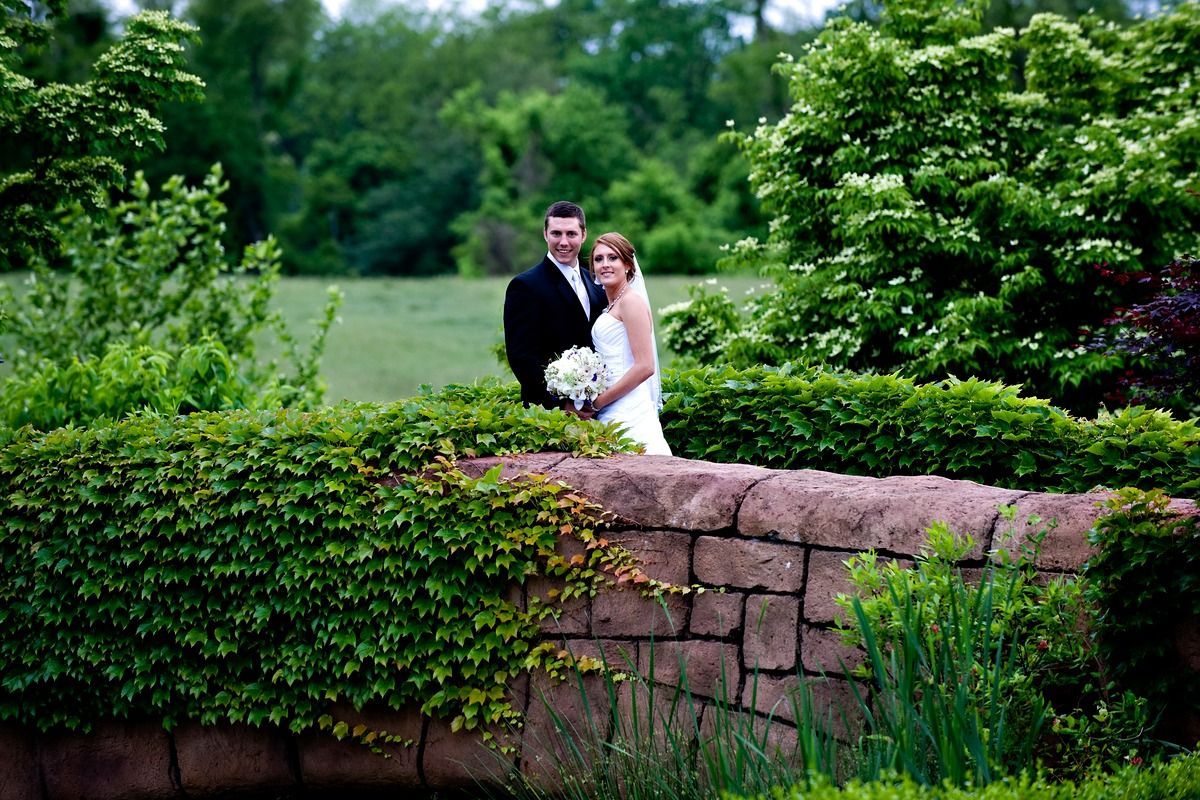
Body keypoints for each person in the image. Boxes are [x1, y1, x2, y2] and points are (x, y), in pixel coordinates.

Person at [504, 201, 607, 409]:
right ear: (545, 234)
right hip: (550, 413)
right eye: (556, 233)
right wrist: (562, 404)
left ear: (583, 235)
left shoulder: (595, 282)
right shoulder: (525, 286)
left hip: (598, 406)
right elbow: (522, 357)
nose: (563, 242)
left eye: (571, 234)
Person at [588, 232, 672, 455]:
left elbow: (645, 366)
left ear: (627, 264)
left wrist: (597, 403)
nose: (605, 264)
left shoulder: (631, 302)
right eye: (599, 259)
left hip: (629, 406)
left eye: (612, 258)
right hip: (612, 403)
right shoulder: (614, 303)